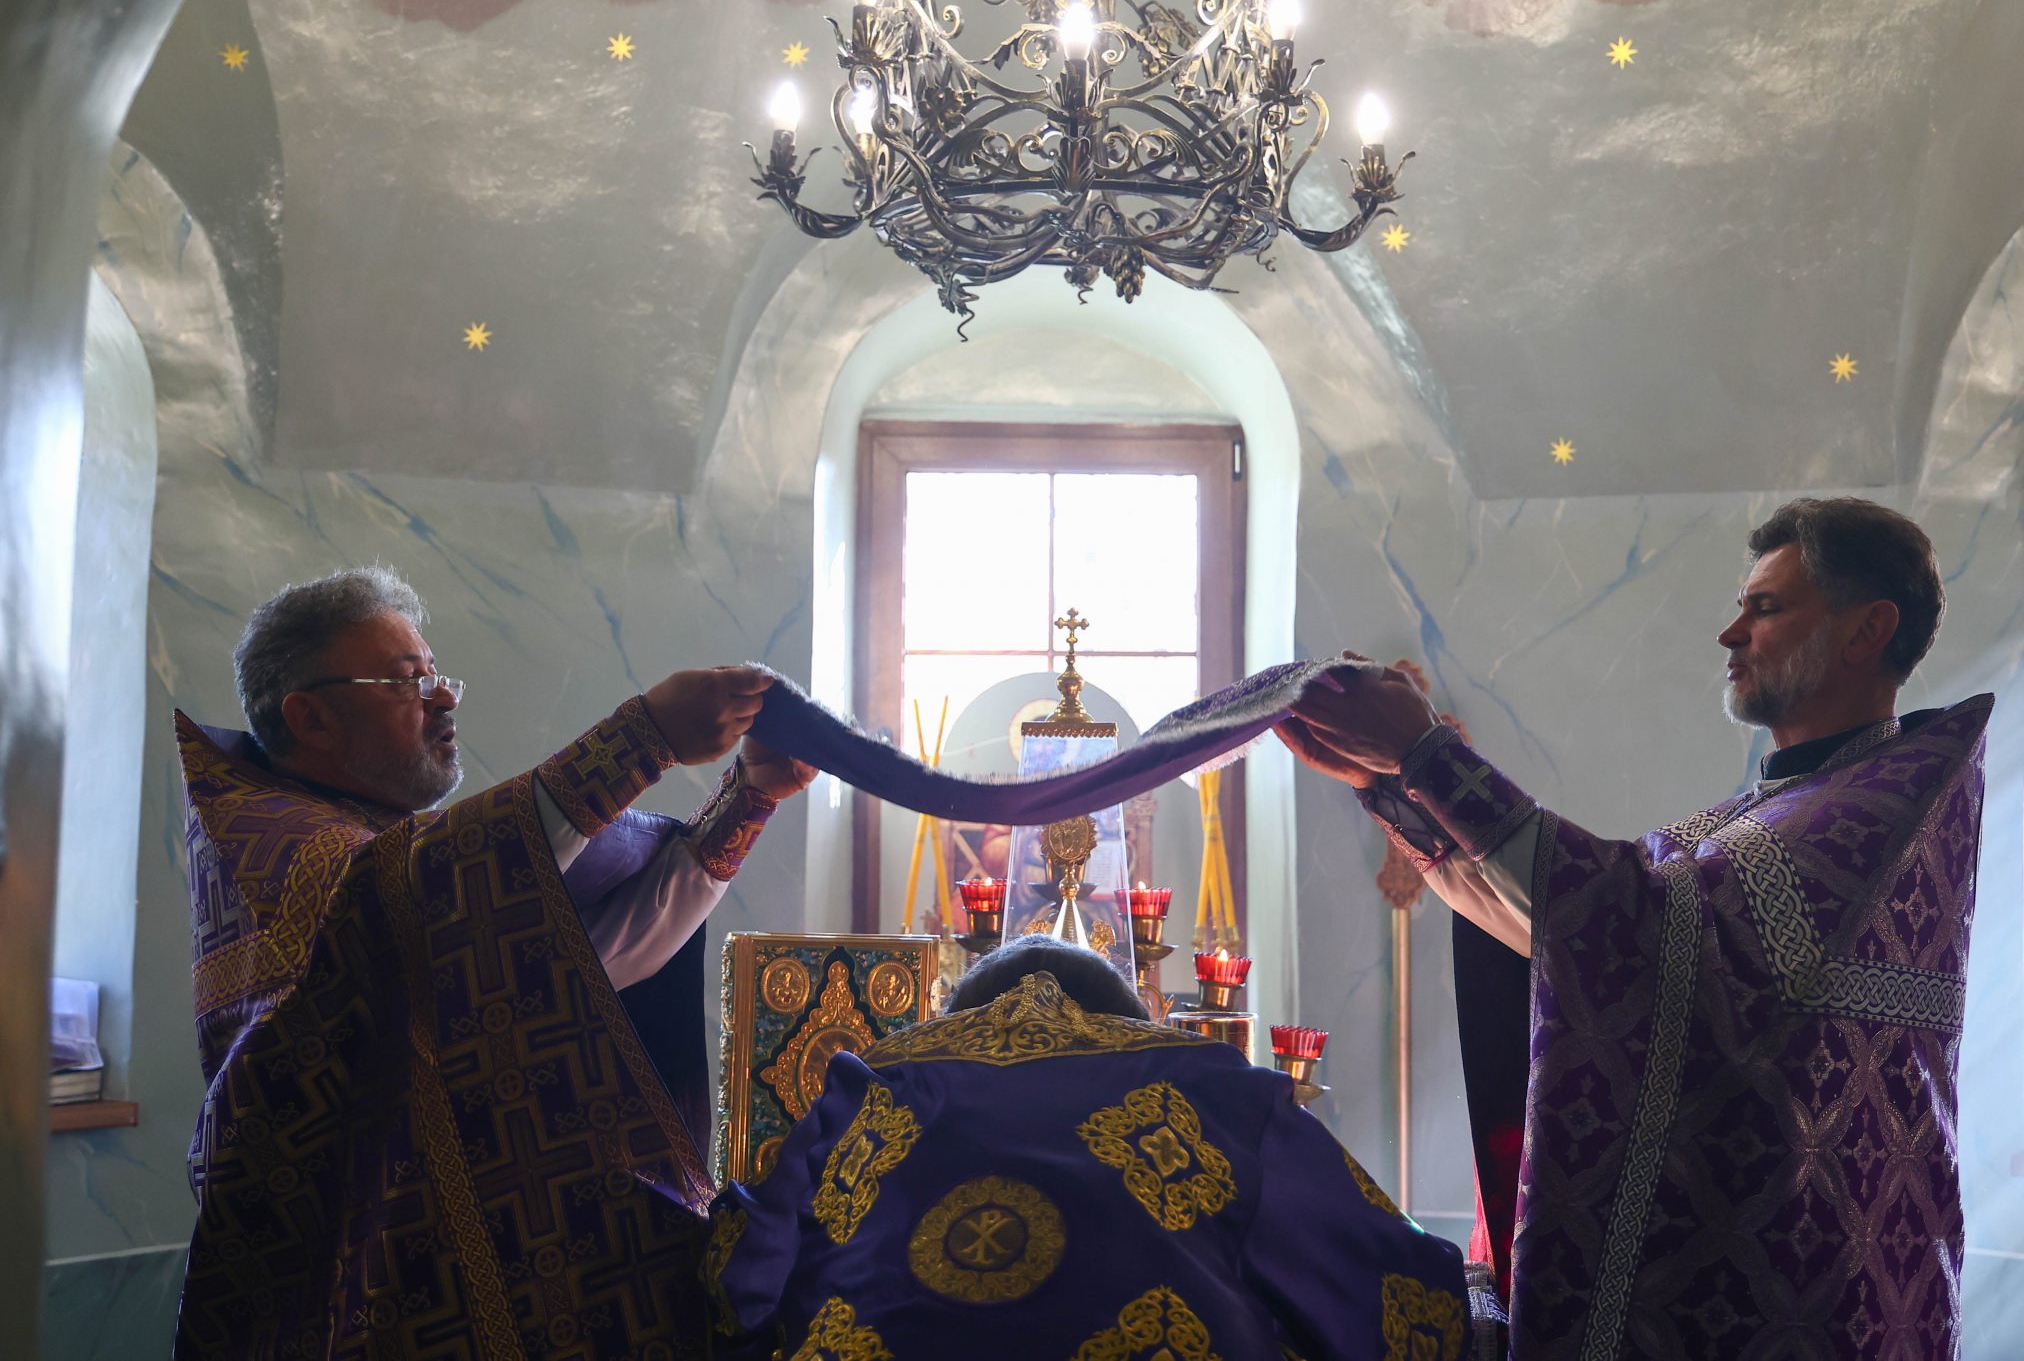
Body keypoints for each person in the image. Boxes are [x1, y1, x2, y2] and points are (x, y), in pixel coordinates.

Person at [1279, 497, 1986, 1361]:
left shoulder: (1869, 818)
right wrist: (1389, 779)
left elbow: (1625, 920)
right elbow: (1565, 930)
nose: (1730, 632)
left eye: (1766, 607)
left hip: (1801, 1295)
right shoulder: (1767, 814)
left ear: (1867, 629)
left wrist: (1428, 756)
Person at [172, 566, 813, 1359]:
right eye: (406, 681)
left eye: (436, 672)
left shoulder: (388, 849)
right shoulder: (286, 859)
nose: (444, 696)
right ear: (311, 716)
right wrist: (641, 737)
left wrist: (751, 795)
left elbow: (595, 959)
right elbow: (407, 889)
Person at [706, 936, 1499, 1361]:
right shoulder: (1208, 1085)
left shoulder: (867, 1087)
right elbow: (1399, 1302)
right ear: (1131, 1026)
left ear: (954, 1022)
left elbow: (737, 1288)